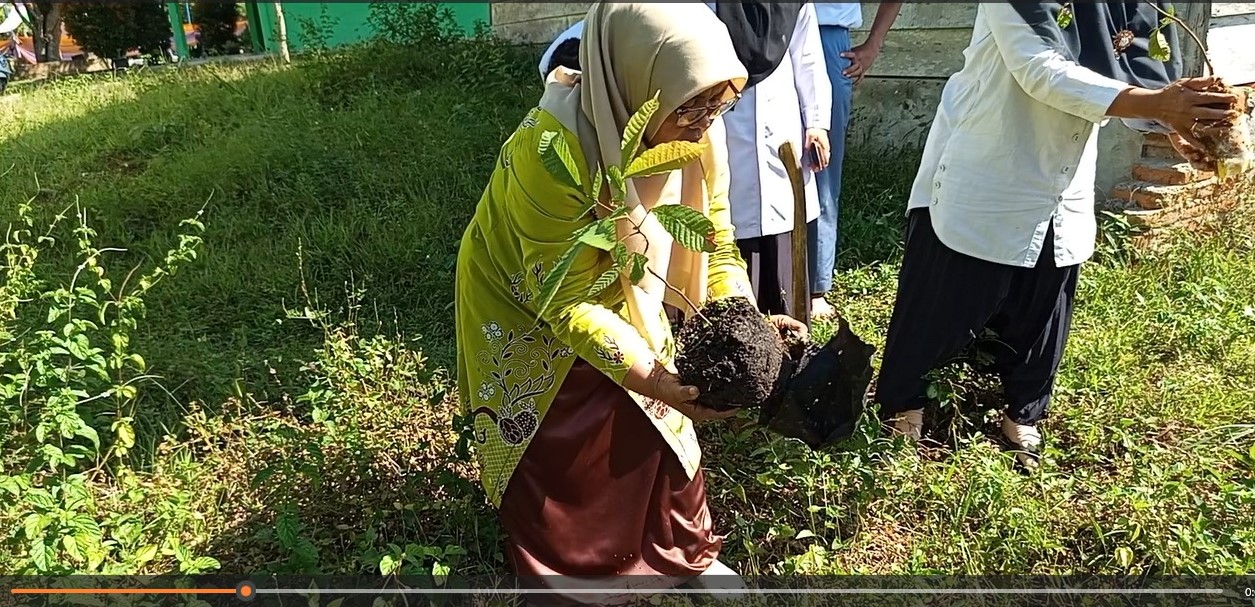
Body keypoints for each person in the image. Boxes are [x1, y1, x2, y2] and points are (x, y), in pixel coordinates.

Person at [455, 2, 805, 601]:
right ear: (637, 82)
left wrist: (740, 316)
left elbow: (714, 238)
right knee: (565, 427)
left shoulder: (699, 130)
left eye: (719, 103)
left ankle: (683, 554)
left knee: (661, 422)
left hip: (631, 281)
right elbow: (564, 301)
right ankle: (580, 571)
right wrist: (651, 377)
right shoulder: (552, 150)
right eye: (691, 105)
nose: (706, 120)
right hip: (528, 293)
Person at [871, 2, 1239, 468]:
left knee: (1044, 300)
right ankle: (905, 404)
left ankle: (1022, 411)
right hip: (990, 158)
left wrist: (1180, 112)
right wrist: (1158, 104)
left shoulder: (1130, 4)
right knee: (943, 299)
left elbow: (1137, 75)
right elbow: (1039, 68)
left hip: (1064, 174)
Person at [715, 1, 831, 325]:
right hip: (724, 130)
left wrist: (817, 123)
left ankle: (791, 353)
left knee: (784, 249)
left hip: (783, 132)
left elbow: (808, 60)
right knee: (730, 244)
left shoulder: (793, 4)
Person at [809, 2, 902, 319]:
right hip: (761, 30)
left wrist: (874, 43)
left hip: (827, 36)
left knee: (821, 162)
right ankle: (760, 271)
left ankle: (816, 285)